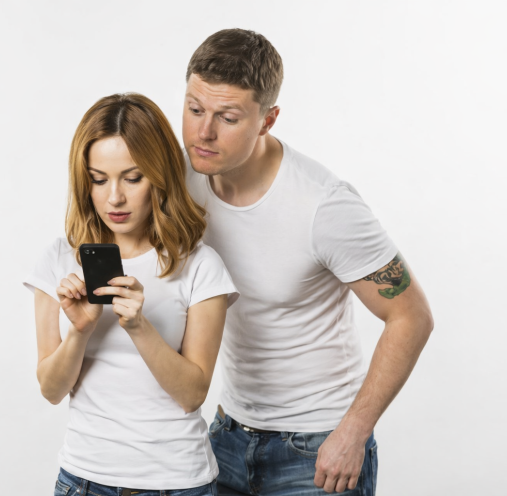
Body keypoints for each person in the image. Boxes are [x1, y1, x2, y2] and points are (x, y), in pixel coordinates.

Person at [181, 29, 434, 495]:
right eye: (195, 109)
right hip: (227, 435)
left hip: (316, 448)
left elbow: (411, 316)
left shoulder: (323, 205)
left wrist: (353, 433)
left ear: (267, 119)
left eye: (227, 117)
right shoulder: (184, 178)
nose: (203, 132)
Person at [24, 93, 239, 495]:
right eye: (98, 179)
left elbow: (192, 395)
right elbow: (51, 390)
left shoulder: (200, 265)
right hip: (84, 480)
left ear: (158, 176)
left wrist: (138, 325)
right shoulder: (59, 259)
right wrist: (81, 330)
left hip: (179, 483)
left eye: (133, 177)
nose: (114, 198)